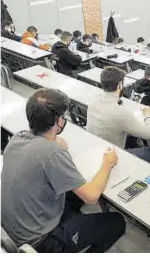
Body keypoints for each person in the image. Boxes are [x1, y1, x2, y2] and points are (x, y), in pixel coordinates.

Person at [1, 88, 126, 253]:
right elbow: (91, 196)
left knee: (72, 193)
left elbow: (57, 143)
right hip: (41, 241)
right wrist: (107, 164)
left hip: (14, 228)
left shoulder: (18, 138)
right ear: (59, 121)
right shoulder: (52, 153)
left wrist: (54, 140)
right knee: (117, 222)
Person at [87, 67, 150, 164]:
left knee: (132, 137)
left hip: (96, 147)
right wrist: (148, 115)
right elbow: (149, 134)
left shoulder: (93, 104)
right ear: (120, 85)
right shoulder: (121, 112)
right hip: (112, 156)